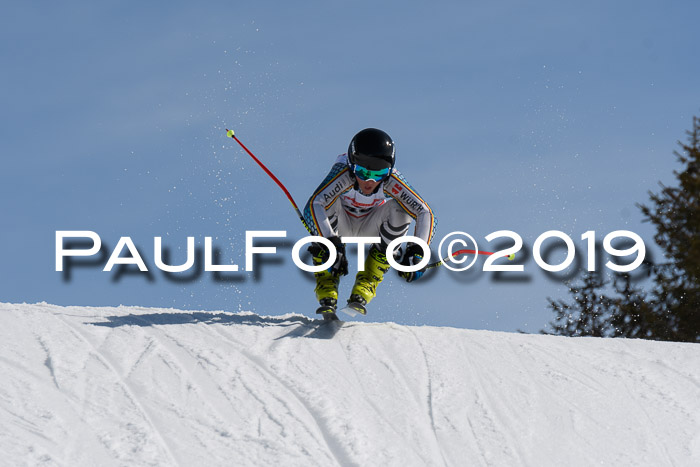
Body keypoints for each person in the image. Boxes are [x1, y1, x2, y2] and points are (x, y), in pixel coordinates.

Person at [303, 128, 437, 317]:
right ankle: (327, 281)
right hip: (340, 227)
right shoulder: (343, 172)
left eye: (379, 173)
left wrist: (418, 251)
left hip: (371, 226)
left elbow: (424, 211)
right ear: (352, 165)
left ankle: (367, 282)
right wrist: (331, 243)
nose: (370, 181)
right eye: (363, 172)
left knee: (401, 209)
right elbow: (314, 204)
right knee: (323, 206)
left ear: (389, 171)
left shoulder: (391, 180)